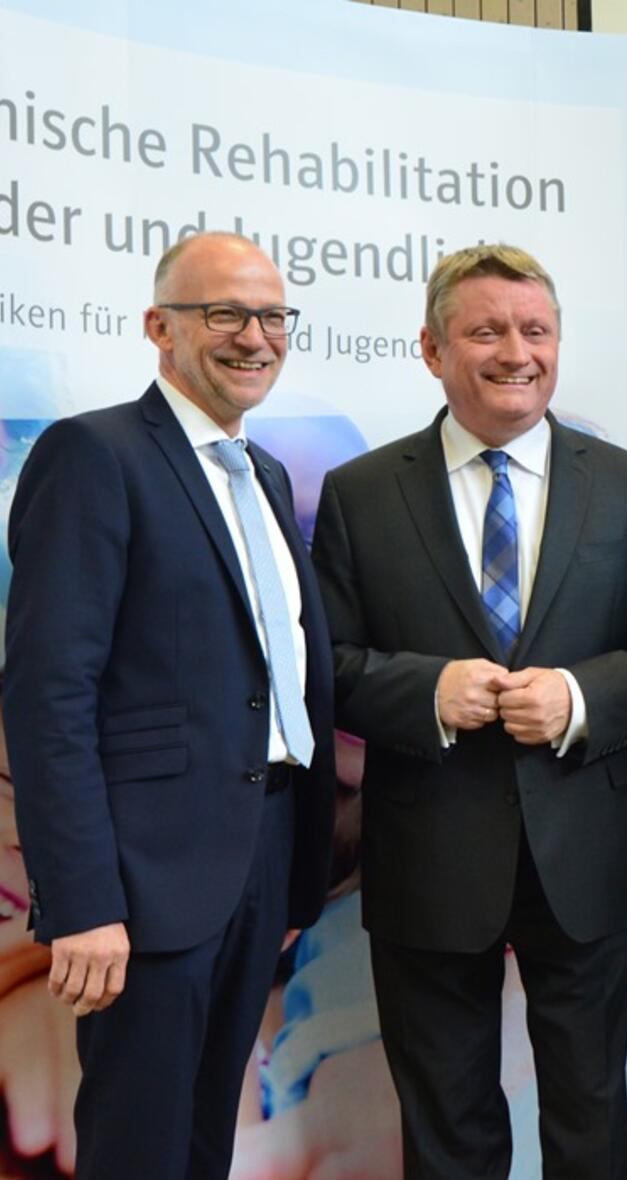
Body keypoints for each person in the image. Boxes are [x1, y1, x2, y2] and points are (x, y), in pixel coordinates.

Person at [311, 243, 627, 1180]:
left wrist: (574, 696)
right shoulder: (360, 493)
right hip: (428, 852)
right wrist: (426, 693)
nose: (515, 352)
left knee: (591, 1119)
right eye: (485, 330)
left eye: (535, 330)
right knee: (447, 1127)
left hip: (583, 846)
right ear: (432, 349)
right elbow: (327, 663)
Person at [2, 231, 336, 1180]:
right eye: (225, 313)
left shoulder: (262, 474)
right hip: (142, 887)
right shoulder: (92, 454)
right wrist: (83, 903)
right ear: (160, 328)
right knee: (137, 1150)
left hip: (262, 858)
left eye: (272, 316)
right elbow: (47, 694)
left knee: (201, 1145)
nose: (255, 337)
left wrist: (291, 872)